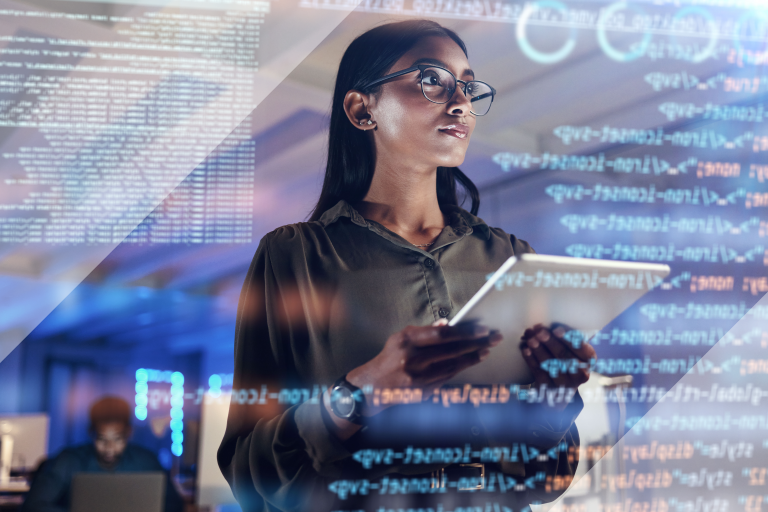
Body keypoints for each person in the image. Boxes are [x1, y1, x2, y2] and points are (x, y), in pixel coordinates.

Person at [218, 19, 597, 512]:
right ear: (362, 109)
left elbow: (548, 483)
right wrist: (357, 395)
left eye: (467, 84)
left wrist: (552, 401)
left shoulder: (510, 258)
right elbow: (250, 473)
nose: (460, 101)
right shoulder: (295, 257)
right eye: (431, 80)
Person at [22, 396, 184, 512]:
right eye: (101, 439)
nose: (109, 448)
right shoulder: (68, 460)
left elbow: (174, 506)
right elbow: (34, 505)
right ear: (90, 433)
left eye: (118, 440)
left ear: (129, 433)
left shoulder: (147, 461)